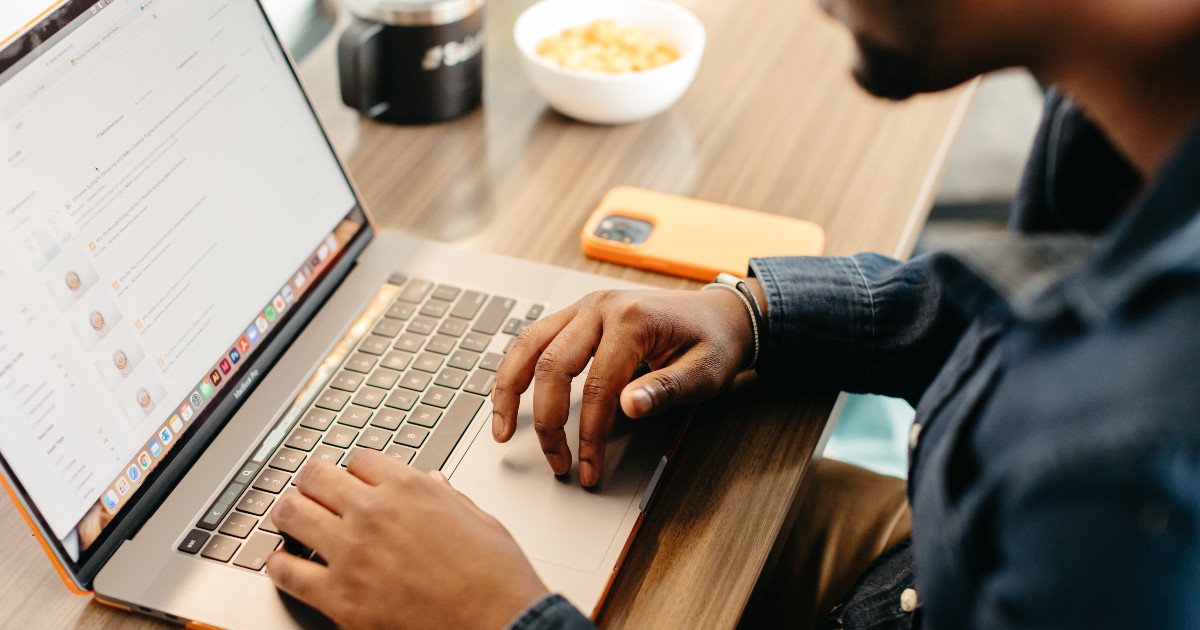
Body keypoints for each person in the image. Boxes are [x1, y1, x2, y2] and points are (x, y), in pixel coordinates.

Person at [264, 0, 1200, 627]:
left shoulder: (1132, 469)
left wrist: (501, 617)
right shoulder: (1137, 118)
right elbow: (1036, 300)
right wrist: (749, 313)